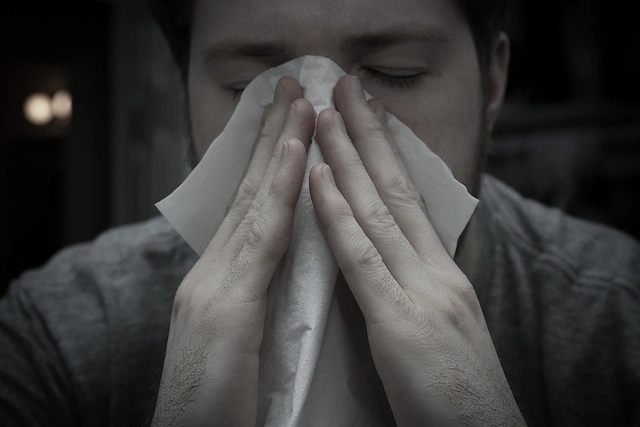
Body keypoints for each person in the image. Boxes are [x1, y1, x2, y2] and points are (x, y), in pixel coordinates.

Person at [0, 0, 638, 425]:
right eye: (250, 84)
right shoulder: (56, 337)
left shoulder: (618, 319)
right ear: (181, 87)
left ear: (493, 82)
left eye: (396, 71)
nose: (317, 136)